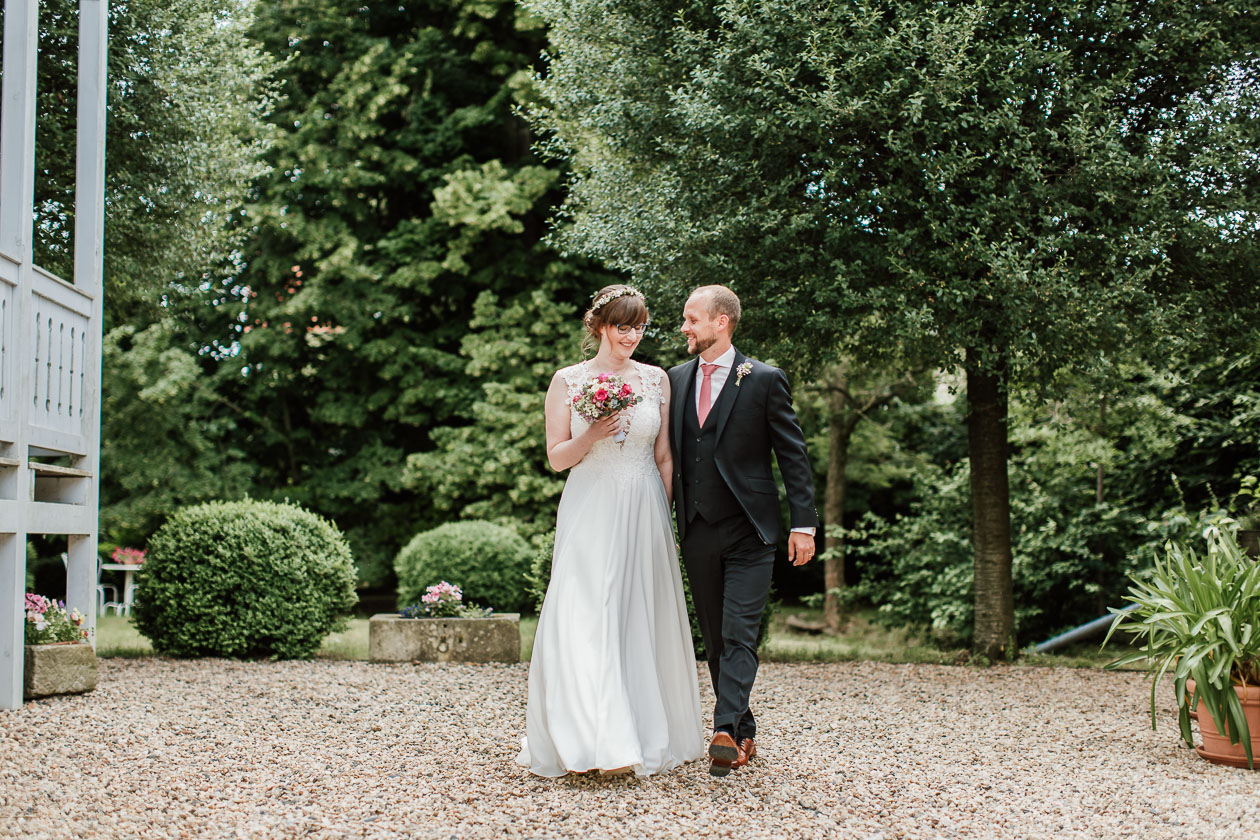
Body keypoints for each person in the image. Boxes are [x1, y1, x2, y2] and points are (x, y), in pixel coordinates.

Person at [517, 284, 704, 778]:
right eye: (624, 326)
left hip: (644, 504)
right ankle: (588, 739)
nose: (632, 336)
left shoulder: (657, 380)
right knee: (585, 612)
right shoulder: (568, 381)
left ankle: (635, 733)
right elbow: (557, 458)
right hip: (590, 505)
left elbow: (663, 455)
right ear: (600, 326)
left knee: (636, 615)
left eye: (639, 327)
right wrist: (593, 433)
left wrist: (666, 518)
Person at [668, 284, 818, 777]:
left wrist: (804, 525)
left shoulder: (765, 379)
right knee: (714, 636)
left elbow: (792, 457)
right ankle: (744, 731)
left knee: (739, 632)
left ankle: (724, 729)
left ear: (721, 322)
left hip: (751, 530)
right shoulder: (675, 379)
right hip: (696, 527)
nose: (684, 328)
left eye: (692, 319)